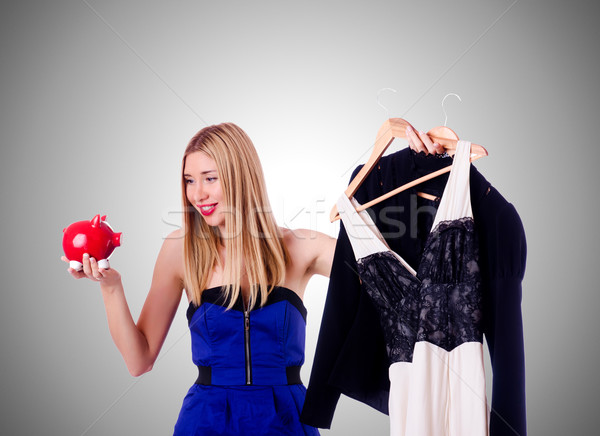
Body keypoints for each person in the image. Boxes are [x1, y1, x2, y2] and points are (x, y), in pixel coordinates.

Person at [62, 122, 336, 435]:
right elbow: (139, 361)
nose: (197, 194)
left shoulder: (302, 248)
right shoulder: (179, 250)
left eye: (209, 179)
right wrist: (110, 287)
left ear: (241, 178)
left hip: (287, 421)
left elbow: (383, 271)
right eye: (189, 181)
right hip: (206, 422)